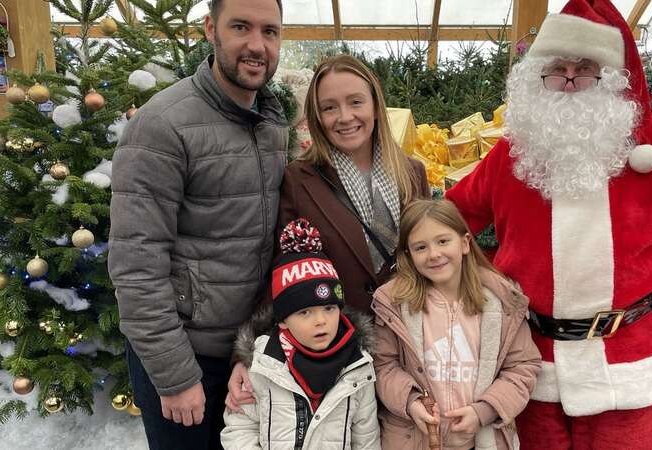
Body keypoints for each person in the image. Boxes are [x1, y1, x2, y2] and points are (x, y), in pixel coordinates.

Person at [445, 0, 652, 448]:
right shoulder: (513, 153)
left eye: (587, 69)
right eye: (558, 69)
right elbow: (449, 221)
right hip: (532, 366)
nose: (572, 81)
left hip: (627, 366)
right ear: (537, 77)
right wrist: (482, 289)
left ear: (613, 79)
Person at [108, 0, 287, 448]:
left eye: (270, 31)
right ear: (210, 28)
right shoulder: (163, 125)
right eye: (241, 27)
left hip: (247, 353)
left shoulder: (271, 122)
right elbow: (136, 263)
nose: (257, 45)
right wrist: (175, 376)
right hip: (188, 355)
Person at [226, 54, 432, 412]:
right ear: (317, 116)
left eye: (355, 102)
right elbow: (283, 266)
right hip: (339, 354)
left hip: (409, 345)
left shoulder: (411, 173)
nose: (345, 117)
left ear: (375, 104)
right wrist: (246, 356)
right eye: (330, 107)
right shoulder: (300, 179)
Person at [372, 199, 541, 450]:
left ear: (464, 243)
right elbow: (384, 365)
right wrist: (411, 402)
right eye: (420, 247)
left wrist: (485, 410)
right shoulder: (395, 304)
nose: (434, 254)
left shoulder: (500, 303)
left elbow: (523, 366)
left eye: (443, 241)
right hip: (415, 440)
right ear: (408, 255)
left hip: (481, 440)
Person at [221, 219, 380, 449]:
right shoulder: (262, 363)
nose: (320, 321)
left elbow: (367, 439)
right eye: (305, 312)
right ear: (283, 321)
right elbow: (239, 428)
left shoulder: (358, 366)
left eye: (329, 308)